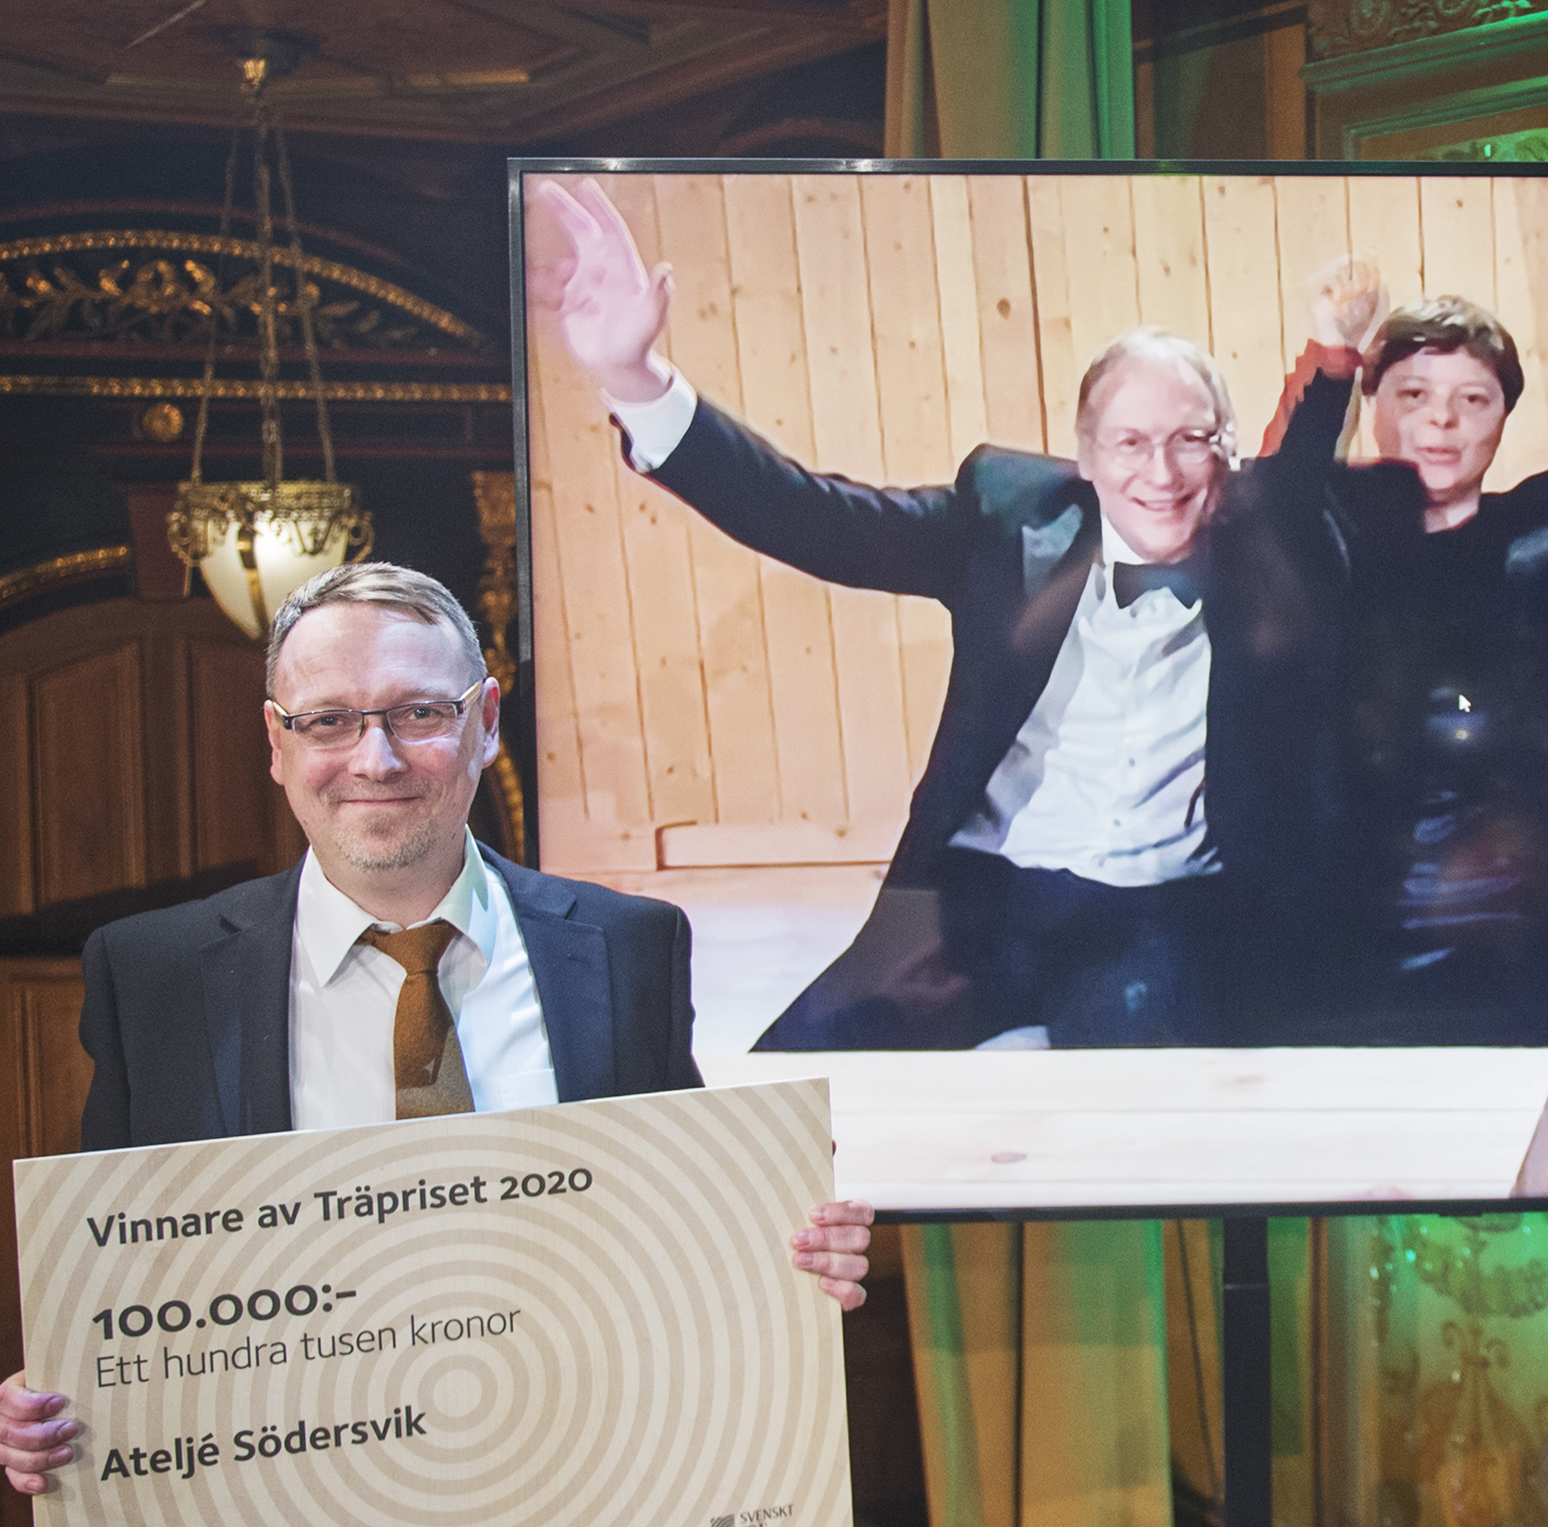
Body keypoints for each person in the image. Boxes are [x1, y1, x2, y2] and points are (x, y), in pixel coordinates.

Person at [0, 563, 878, 1527]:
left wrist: (792, 1258)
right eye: (329, 719)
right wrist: (54, 1403)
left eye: (418, 711)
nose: (376, 756)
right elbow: (117, 1289)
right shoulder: (157, 976)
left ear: (484, 719)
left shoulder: (625, 948)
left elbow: (691, 1242)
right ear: (276, 743)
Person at [532, 178, 1362, 1050]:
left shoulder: (1272, 545)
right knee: (791, 1092)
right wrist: (633, 377)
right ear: (1084, 456)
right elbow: (811, 516)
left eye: (1190, 439)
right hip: (980, 895)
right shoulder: (1008, 520)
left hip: (1163, 907)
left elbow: (1305, 461)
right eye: (1129, 442)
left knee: (1131, 1095)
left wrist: (1338, 354)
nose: (1161, 472)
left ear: (1227, 452)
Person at [1261, 286, 1548, 1047]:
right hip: (1343, 928)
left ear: (1502, 418)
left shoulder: (1539, 543)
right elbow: (1274, 513)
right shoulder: (1327, 547)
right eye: (1414, 394)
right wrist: (1331, 359)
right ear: (1373, 404)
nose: (1442, 421)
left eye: (1473, 399)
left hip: (1512, 928)